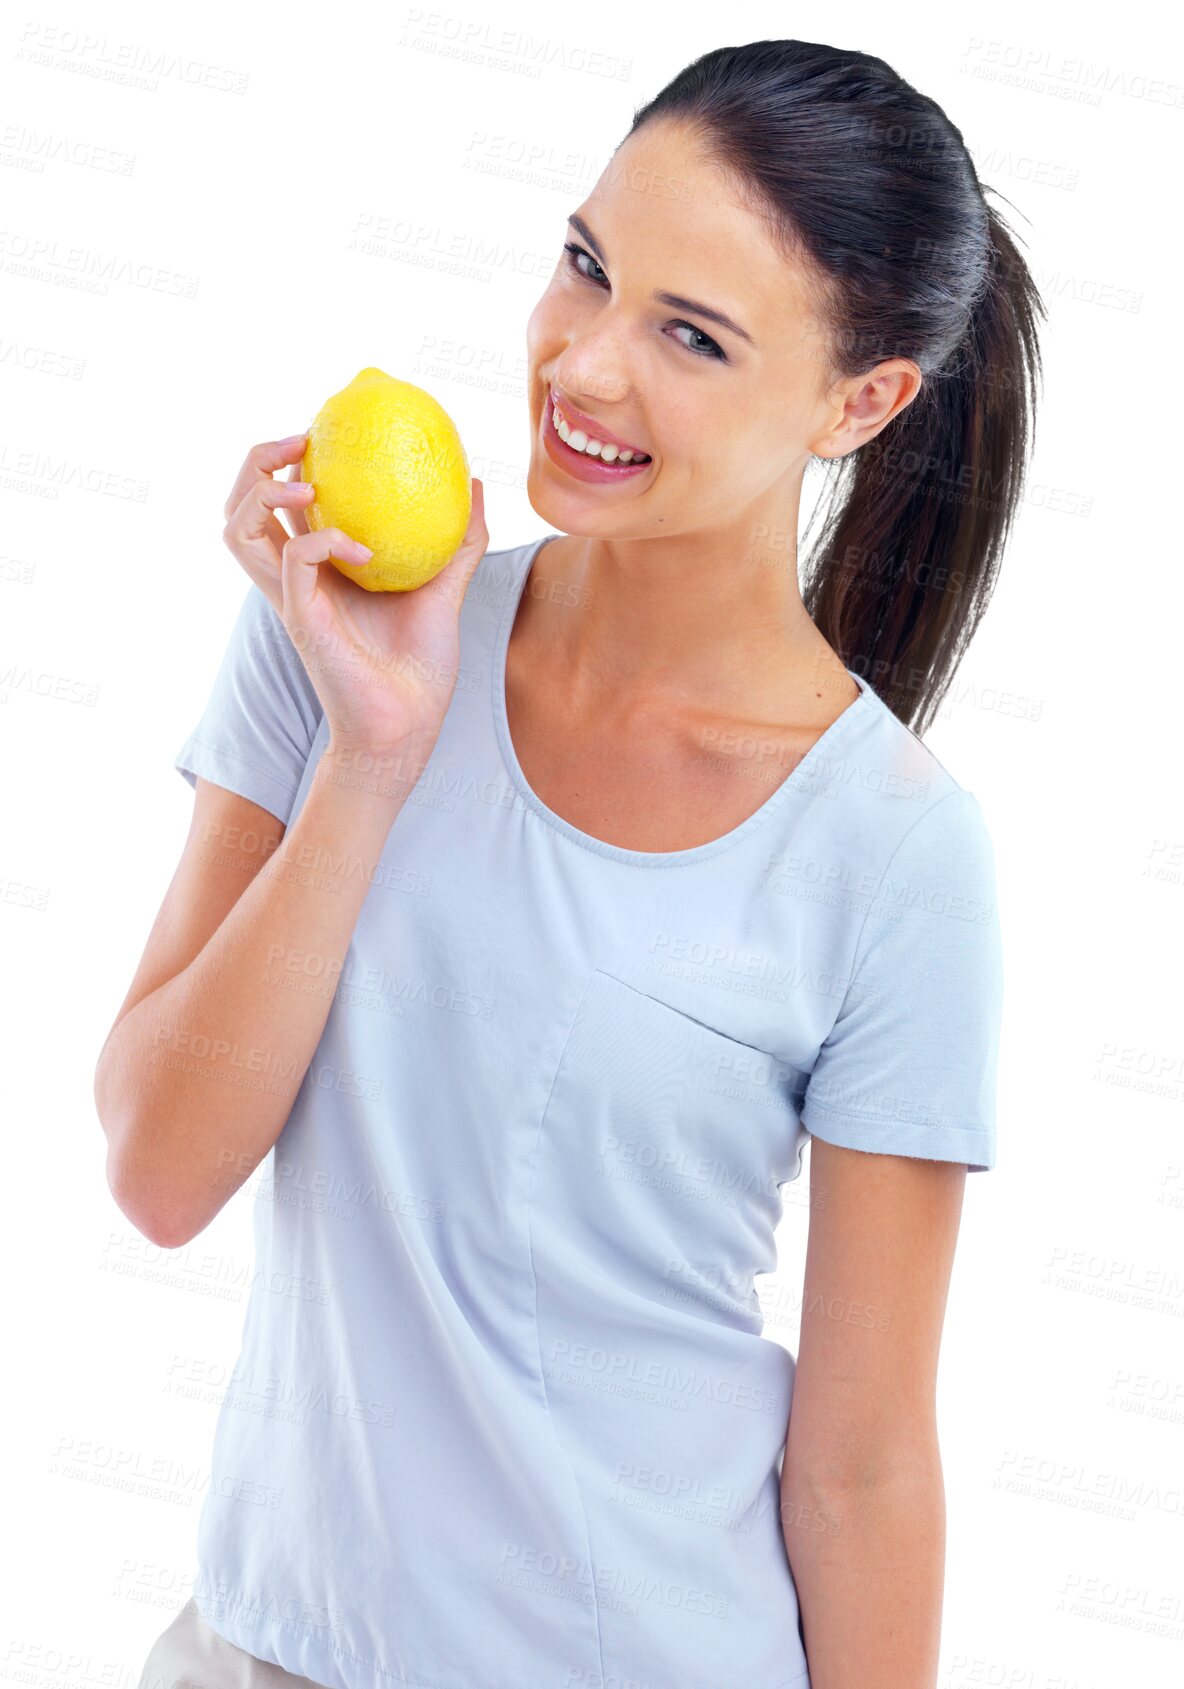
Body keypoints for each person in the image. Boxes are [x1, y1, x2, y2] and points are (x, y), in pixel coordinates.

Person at [99, 37, 1044, 1689]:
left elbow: (865, 1464)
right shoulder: (344, 642)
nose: (584, 365)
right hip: (260, 1651)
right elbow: (159, 1168)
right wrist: (373, 761)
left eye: (690, 334)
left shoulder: (894, 851)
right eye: (587, 266)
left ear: (861, 400)